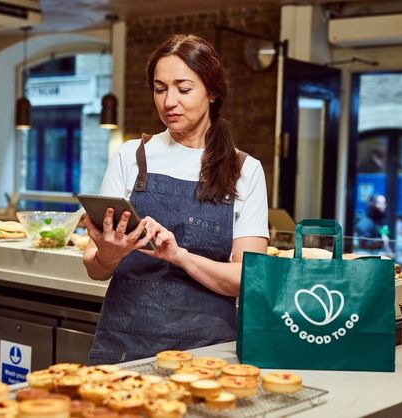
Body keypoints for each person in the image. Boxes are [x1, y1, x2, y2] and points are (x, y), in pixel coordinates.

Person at [82, 34, 269, 364]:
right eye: (160, 88)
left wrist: (180, 256)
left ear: (211, 92)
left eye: (183, 89)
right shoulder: (130, 157)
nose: (169, 101)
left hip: (208, 352)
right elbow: (95, 269)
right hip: (125, 343)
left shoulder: (245, 170)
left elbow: (247, 280)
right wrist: (109, 256)